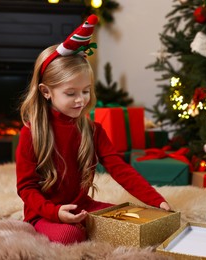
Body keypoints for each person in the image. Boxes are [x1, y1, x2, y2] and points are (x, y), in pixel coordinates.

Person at [16, 14, 171, 245]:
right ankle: (64, 228)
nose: (81, 100)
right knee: (71, 235)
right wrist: (55, 212)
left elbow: (121, 170)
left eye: (85, 91)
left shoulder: (93, 130)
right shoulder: (31, 133)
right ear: (46, 92)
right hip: (44, 214)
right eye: (71, 93)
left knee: (137, 222)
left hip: (83, 207)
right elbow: (26, 188)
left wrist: (157, 201)